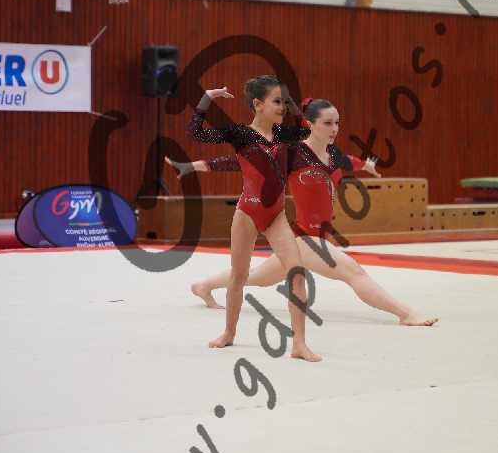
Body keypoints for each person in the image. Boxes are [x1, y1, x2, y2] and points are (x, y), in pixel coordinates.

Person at [173, 98, 439, 327]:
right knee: (354, 272)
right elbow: (241, 162)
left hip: (311, 237)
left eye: (337, 123)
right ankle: (406, 314)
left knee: (256, 277)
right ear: (310, 124)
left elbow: (351, 162)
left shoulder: (334, 155)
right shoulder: (292, 154)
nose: (334, 129)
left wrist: (368, 165)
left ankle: (203, 286)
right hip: (304, 238)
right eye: (327, 123)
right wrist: (195, 166)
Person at [186, 77, 321, 360]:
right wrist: (207, 98)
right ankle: (229, 333)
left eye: (284, 102)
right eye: (277, 101)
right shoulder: (240, 134)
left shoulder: (285, 134)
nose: (283, 107)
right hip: (247, 213)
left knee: (297, 273)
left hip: (276, 215)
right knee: (239, 276)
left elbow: (306, 128)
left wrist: (293, 101)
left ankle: (299, 343)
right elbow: (196, 133)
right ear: (258, 104)